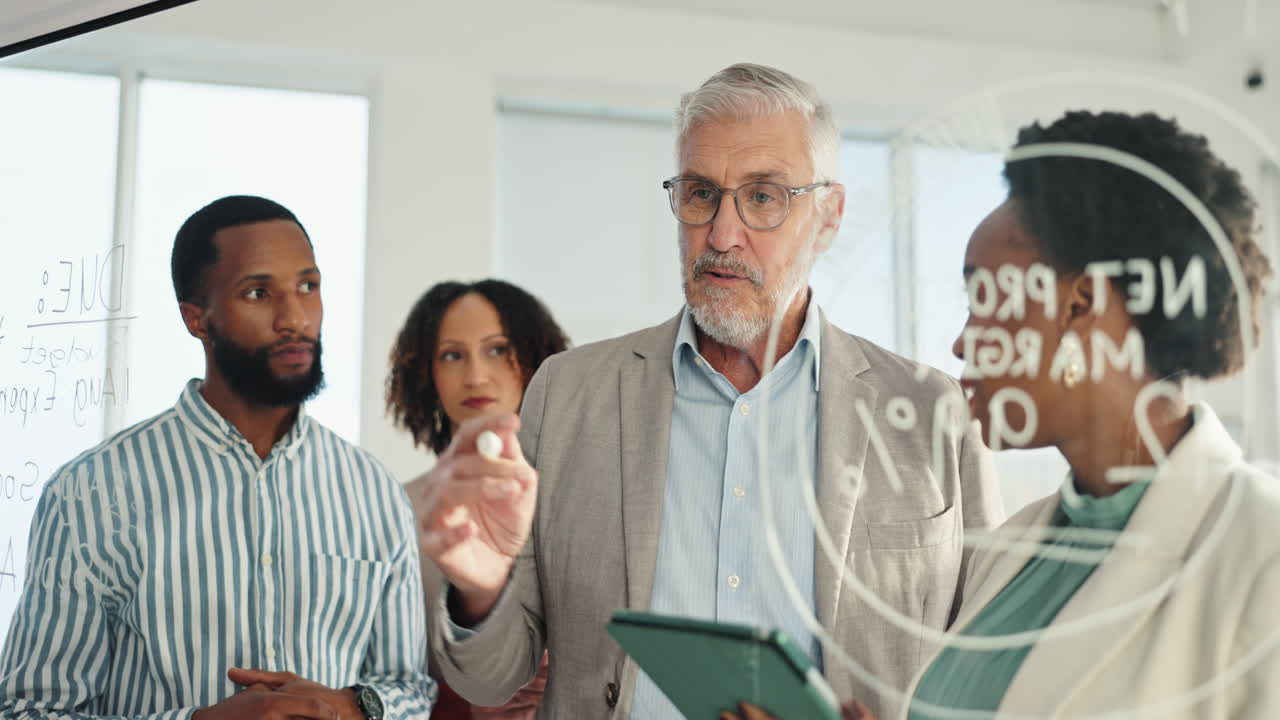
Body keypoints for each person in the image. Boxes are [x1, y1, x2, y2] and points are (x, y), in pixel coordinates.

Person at [414, 63, 1005, 718]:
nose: (722, 235)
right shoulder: (568, 392)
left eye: (763, 197)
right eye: (700, 194)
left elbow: (990, 679)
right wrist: (480, 589)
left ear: (829, 215)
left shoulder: (931, 415)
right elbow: (491, 683)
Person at [729, 111, 1280, 720]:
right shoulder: (1012, 550)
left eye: (983, 299)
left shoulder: (1261, 555)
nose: (963, 344)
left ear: (1082, 305)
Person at [0, 195, 434, 719]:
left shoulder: (373, 489)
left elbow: (409, 688)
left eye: (308, 287)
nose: (294, 318)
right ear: (196, 319)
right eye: (258, 292)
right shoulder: (90, 492)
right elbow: (31, 711)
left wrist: (351, 706)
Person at [386, 279, 569, 719]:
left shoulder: (592, 493)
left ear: (537, 358)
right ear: (425, 372)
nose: (475, 376)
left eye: (497, 349)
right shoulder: (397, 510)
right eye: (452, 355)